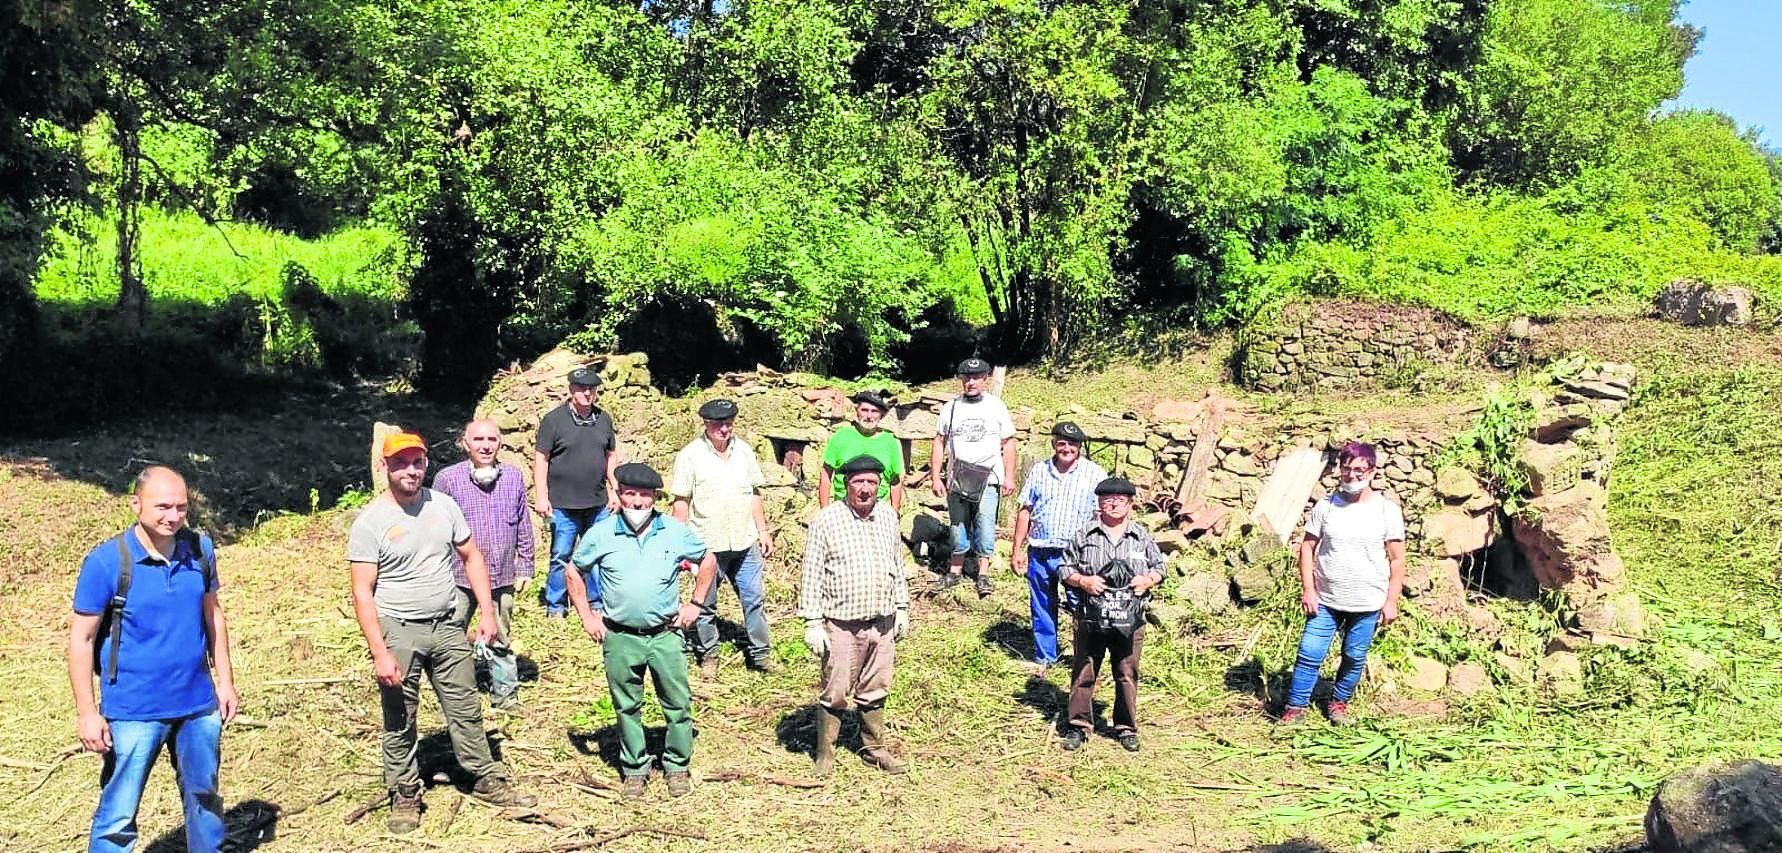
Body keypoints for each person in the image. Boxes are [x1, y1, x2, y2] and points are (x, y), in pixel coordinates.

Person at [348, 432, 534, 834]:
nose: (410, 470)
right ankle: (404, 791)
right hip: (399, 630)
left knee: (465, 705)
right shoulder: (371, 522)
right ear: (385, 467)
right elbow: (362, 592)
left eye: (416, 462)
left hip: (448, 625)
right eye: (400, 463)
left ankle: (483, 775)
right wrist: (380, 651)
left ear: (426, 464)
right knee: (401, 715)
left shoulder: (443, 505)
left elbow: (471, 556)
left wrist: (486, 611)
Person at [67, 466, 238, 853]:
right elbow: (82, 638)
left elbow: (213, 615)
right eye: (163, 506)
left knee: (205, 798)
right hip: (133, 709)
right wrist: (86, 712)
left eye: (181, 507)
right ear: (136, 505)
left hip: (196, 704)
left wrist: (225, 682)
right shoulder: (107, 562)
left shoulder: (200, 550)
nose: (173, 516)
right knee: (118, 814)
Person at [567, 463, 719, 799]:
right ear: (619, 494)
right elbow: (574, 571)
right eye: (631, 494)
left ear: (655, 498)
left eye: (645, 495)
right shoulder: (602, 533)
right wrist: (587, 616)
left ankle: (677, 766)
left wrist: (695, 604)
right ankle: (634, 768)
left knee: (677, 703)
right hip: (620, 636)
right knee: (626, 705)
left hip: (665, 634)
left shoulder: (672, 531)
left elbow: (707, 560)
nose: (637, 502)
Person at [1281, 442, 1407, 726]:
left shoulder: (1387, 511)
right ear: (1339, 470)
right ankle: (1295, 708)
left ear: (1372, 472)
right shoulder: (1326, 507)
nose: (1352, 476)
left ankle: (1338, 704)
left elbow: (1397, 560)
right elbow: (1307, 548)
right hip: (1325, 599)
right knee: (1309, 652)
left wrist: (1391, 601)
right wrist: (1309, 589)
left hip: (1367, 603)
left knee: (1353, 655)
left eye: (1359, 470)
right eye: (1346, 469)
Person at [800, 455, 911, 777]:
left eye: (872, 483)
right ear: (846, 484)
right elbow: (812, 572)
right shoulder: (827, 520)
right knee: (835, 689)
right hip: (841, 623)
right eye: (859, 482)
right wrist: (812, 621)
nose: (865, 489)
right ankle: (826, 753)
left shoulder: (888, 516)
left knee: (876, 687)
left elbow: (897, 566)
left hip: (882, 620)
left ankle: (873, 748)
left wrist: (901, 607)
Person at [669, 398, 778, 678]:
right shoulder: (690, 456)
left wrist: (763, 531)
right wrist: (677, 545)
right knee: (704, 604)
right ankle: (709, 655)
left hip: (744, 541)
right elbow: (681, 502)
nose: (724, 429)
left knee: (754, 600)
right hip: (707, 545)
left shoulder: (744, 452)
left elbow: (754, 493)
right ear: (706, 424)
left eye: (728, 423)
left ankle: (761, 654)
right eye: (718, 423)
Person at [432, 418, 534, 709]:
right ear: (465, 443)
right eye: (478, 440)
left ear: (500, 444)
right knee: (452, 632)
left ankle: (505, 694)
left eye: (492, 440)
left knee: (500, 633)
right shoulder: (447, 479)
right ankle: (456, 693)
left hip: (502, 573)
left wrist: (525, 563)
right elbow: (436, 528)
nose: (485, 446)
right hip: (458, 574)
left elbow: (523, 523)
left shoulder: (513, 476)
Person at [1059, 477, 1164, 753]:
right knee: (1084, 671)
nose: (1114, 503)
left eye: (1120, 499)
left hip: (1130, 622)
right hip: (1090, 618)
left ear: (1130, 504)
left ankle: (1126, 728)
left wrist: (1147, 580)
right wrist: (1083, 581)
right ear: (1099, 503)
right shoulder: (1084, 534)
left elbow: (1160, 568)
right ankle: (1078, 726)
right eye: (1108, 499)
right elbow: (1064, 568)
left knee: (1126, 673)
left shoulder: (1141, 536)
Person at [1010, 421, 1108, 672]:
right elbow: (1025, 511)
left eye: (1072, 443)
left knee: (1080, 605)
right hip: (1041, 550)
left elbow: (1102, 517)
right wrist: (1017, 550)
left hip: (1076, 555)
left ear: (1080, 446)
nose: (1066, 448)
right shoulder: (1039, 471)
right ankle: (1045, 657)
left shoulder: (1095, 474)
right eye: (1061, 443)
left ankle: (1084, 657)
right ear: (1054, 444)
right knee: (1042, 604)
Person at [533, 365, 621, 617]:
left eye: (591, 389)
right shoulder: (554, 420)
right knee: (561, 555)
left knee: (596, 555)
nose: (586, 393)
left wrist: (614, 491)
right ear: (571, 389)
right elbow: (541, 458)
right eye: (581, 388)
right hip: (563, 504)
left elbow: (611, 456)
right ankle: (556, 606)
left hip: (598, 503)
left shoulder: (603, 418)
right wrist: (541, 495)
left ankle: (596, 603)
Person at [930, 357, 1016, 596]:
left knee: (986, 526)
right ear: (961, 379)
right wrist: (936, 477)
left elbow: (1008, 443)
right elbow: (939, 442)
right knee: (957, 526)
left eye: (977, 377)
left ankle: (983, 575)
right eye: (966, 377)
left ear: (986, 379)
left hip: (989, 478)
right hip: (957, 478)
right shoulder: (951, 407)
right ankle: (954, 572)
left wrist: (1009, 476)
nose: (971, 382)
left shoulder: (996, 406)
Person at [819, 389, 904, 511]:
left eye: (874, 411)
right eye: (864, 410)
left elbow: (895, 481)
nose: (869, 416)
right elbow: (826, 474)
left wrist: (894, 512)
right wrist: (824, 510)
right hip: (844, 508)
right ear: (856, 411)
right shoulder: (840, 437)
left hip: (878, 510)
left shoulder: (890, 442)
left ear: (882, 415)